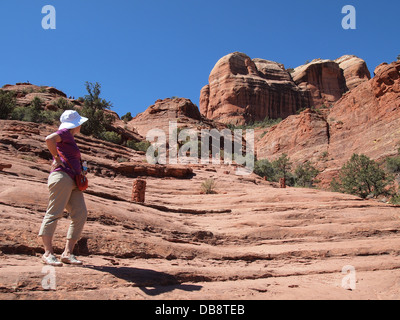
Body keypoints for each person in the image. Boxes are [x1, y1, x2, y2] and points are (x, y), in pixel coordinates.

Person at [38, 110, 89, 266]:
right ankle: (48, 253)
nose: (81, 125)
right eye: (80, 122)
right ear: (75, 124)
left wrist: (82, 170)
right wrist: (56, 158)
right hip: (62, 177)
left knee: (80, 214)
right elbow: (49, 139)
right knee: (54, 212)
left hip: (73, 180)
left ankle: (67, 253)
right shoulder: (65, 132)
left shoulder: (70, 138)